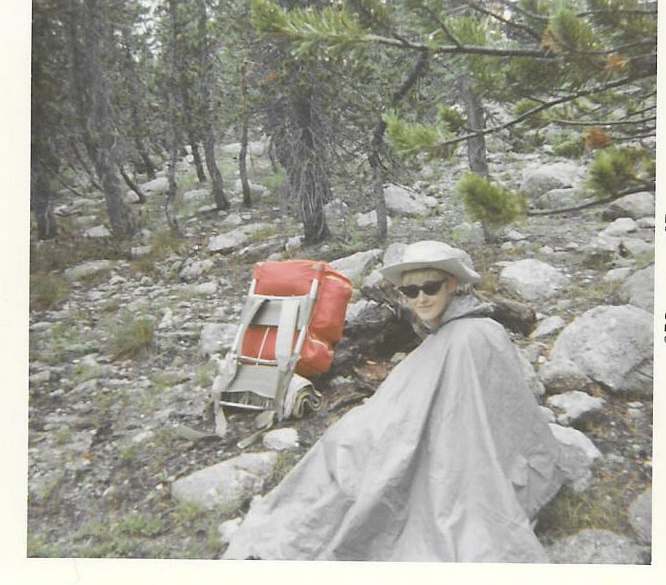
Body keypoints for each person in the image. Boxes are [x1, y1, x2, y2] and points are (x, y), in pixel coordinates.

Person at [222, 240, 566, 562]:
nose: (421, 298)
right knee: (342, 445)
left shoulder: (473, 335)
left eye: (430, 287)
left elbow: (471, 415)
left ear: (451, 285)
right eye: (411, 291)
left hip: (438, 446)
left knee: (362, 465)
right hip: (394, 425)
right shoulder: (448, 332)